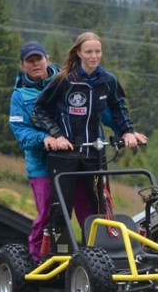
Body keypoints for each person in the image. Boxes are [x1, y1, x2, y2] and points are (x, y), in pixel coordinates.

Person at [32, 31, 147, 243]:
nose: (94, 56)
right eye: (89, 52)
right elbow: (40, 109)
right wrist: (57, 135)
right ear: (78, 53)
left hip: (95, 152)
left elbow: (118, 108)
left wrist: (128, 132)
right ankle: (55, 253)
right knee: (61, 208)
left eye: (97, 51)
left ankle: (96, 253)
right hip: (65, 154)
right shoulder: (64, 80)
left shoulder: (108, 80)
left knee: (100, 205)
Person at [9, 40, 100, 262]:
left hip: (76, 159)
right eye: (30, 61)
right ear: (22, 65)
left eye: (38, 59)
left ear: (47, 59)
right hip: (42, 165)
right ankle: (39, 259)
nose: (35, 64)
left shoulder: (68, 81)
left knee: (89, 209)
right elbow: (21, 133)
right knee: (50, 213)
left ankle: (97, 256)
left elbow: (97, 110)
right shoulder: (19, 96)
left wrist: (126, 131)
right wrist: (45, 138)